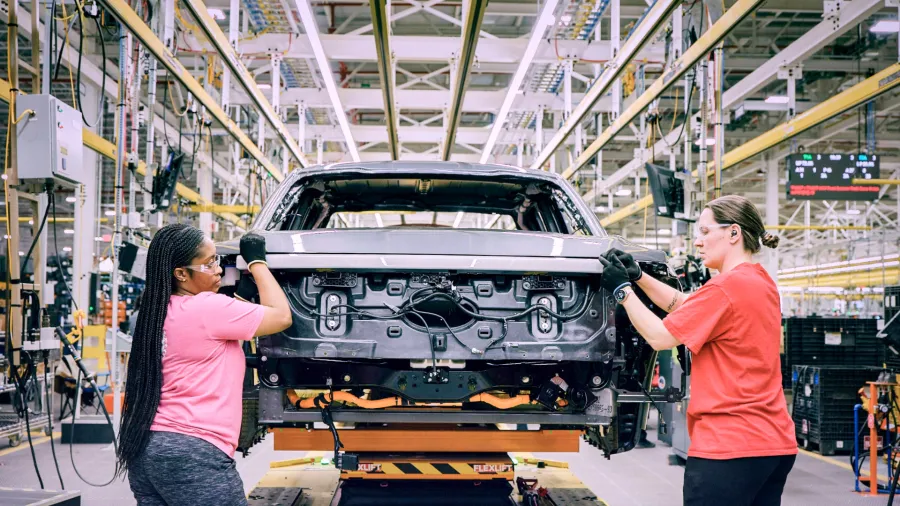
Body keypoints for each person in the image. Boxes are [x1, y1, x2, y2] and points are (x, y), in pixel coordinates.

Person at [596, 195, 796, 506]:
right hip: (773, 445)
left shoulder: (724, 289)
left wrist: (622, 291)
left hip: (729, 448)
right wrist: (639, 277)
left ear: (733, 233)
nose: (698, 242)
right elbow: (686, 307)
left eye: (704, 231)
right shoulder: (759, 282)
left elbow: (660, 337)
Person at [116, 224, 292, 506]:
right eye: (209, 263)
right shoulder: (207, 308)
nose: (219, 269)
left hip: (146, 449)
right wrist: (257, 262)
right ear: (181, 274)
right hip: (193, 452)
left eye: (217, 260)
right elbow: (281, 317)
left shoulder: (153, 315)